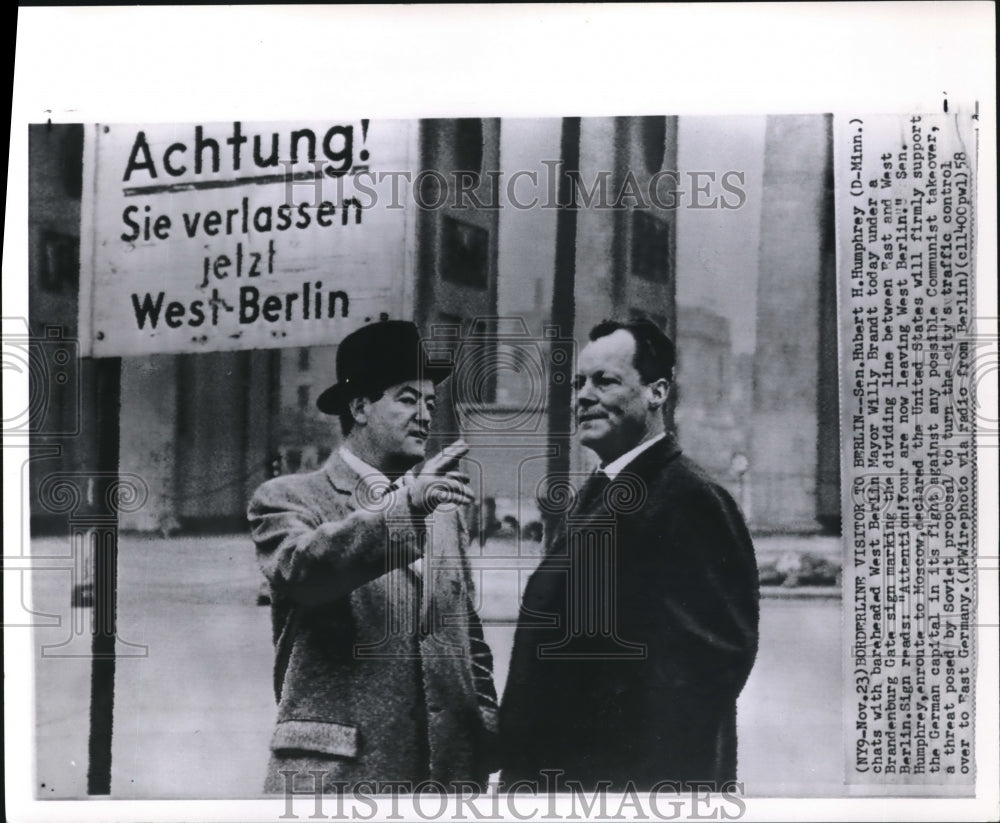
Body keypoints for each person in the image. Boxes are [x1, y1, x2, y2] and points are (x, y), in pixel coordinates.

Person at [499, 319, 759, 792]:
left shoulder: (689, 497)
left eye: (605, 380)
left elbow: (713, 663)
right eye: (578, 382)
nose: (582, 395)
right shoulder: (601, 492)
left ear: (657, 392)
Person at [248, 320, 498, 794]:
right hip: (337, 783)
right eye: (407, 398)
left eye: (429, 401)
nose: (425, 414)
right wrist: (407, 506)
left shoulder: (441, 511)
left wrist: (482, 726)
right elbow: (303, 572)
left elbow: (468, 636)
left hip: (445, 783)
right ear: (359, 406)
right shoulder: (288, 498)